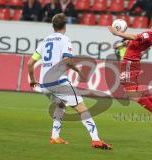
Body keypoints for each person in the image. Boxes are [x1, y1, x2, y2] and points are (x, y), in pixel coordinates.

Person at [27, 13, 111, 149]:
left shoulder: (44, 41)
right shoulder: (64, 39)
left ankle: (55, 137)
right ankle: (96, 139)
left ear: (52, 26)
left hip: (44, 84)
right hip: (59, 82)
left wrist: (32, 80)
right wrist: (77, 70)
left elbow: (30, 63)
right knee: (83, 109)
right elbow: (67, 60)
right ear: (65, 26)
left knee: (60, 106)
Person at [108, 19, 152, 125]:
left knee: (131, 93)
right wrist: (127, 44)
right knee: (134, 92)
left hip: (129, 63)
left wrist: (117, 33)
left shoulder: (149, 34)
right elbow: (138, 43)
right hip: (133, 62)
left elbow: (135, 37)